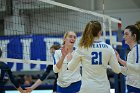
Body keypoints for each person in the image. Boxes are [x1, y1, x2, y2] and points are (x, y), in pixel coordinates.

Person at [67, 21, 121, 93]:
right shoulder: (109, 48)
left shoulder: (81, 48)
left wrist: (70, 57)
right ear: (100, 32)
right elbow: (117, 70)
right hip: (103, 89)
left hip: (87, 89)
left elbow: (70, 67)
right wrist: (117, 59)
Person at [115, 25, 140, 93]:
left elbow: (138, 68)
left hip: (137, 87)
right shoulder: (130, 53)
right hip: (130, 86)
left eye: (126, 34)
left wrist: (120, 60)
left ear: (134, 36)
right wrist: (114, 65)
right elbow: (127, 71)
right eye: (124, 34)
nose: (124, 37)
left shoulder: (138, 48)